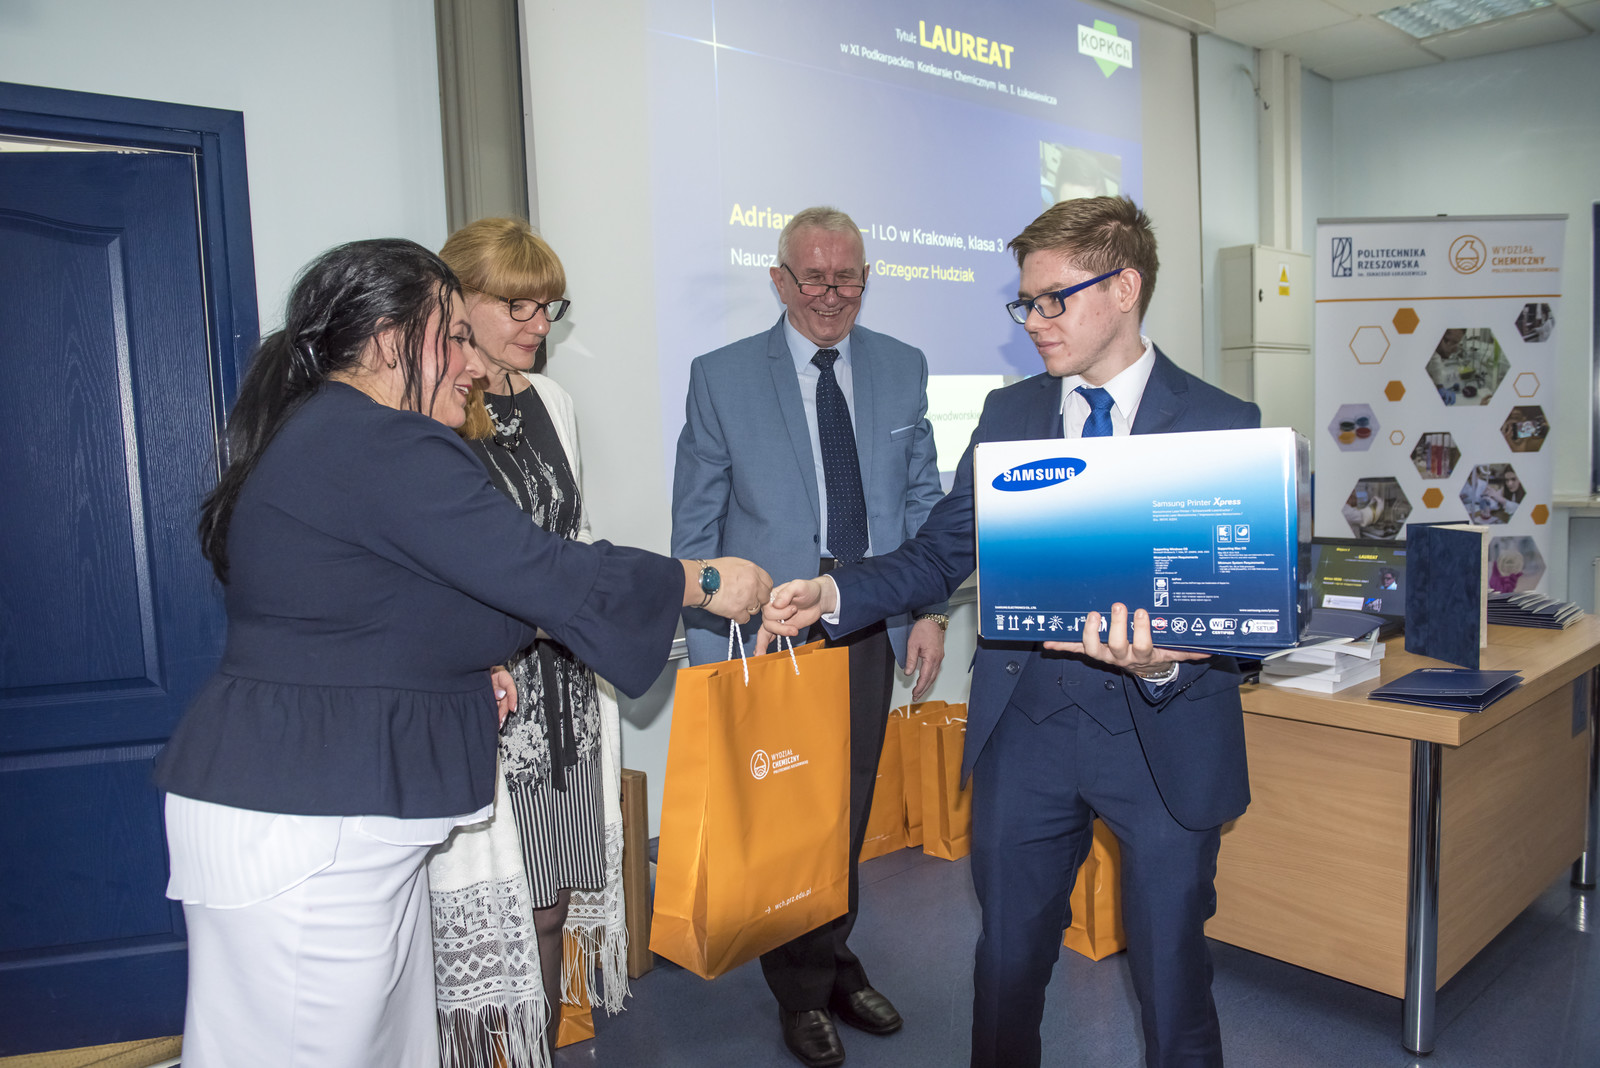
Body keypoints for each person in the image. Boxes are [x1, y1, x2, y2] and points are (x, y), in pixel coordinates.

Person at [153, 238, 770, 1068]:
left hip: (328, 802)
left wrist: (474, 654)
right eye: (452, 337)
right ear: (387, 340)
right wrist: (702, 580)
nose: (473, 364)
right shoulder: (382, 442)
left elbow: (385, 601)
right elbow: (536, 570)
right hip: (306, 815)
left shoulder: (336, 432)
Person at [762, 196, 1261, 1068]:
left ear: (1126, 288)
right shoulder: (1009, 417)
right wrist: (833, 594)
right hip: (1027, 735)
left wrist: (1162, 661)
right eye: (1025, 302)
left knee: (1174, 981)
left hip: (1166, 741)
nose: (1033, 320)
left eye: (1053, 299)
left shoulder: (1224, 423)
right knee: (1005, 971)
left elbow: (1245, 620)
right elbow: (937, 554)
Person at [671, 205, 948, 1067]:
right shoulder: (721, 376)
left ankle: (831, 960)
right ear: (779, 280)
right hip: (770, 635)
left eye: (848, 277)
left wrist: (928, 610)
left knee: (847, 809)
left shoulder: (903, 366)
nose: (832, 295)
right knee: (789, 819)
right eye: (815, 277)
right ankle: (802, 992)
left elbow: (924, 504)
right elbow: (696, 527)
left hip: (866, 614)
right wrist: (716, 659)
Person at [429, 217, 626, 1064]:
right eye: (518, 305)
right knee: (490, 904)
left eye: (549, 307)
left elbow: (572, 536)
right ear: (457, 303)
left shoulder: (554, 402)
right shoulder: (430, 409)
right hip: (485, 690)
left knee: (551, 906)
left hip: (563, 693)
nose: (539, 324)